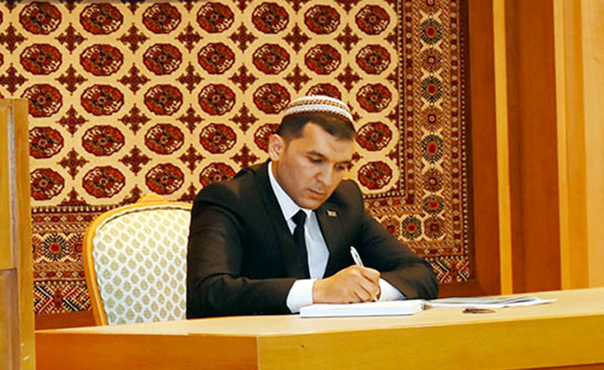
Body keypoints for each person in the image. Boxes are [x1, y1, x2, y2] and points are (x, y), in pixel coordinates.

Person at [186, 94, 438, 317]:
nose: (327, 181)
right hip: (255, 358)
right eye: (315, 160)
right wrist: (319, 291)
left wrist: (367, 290)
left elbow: (420, 274)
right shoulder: (230, 200)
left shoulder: (345, 201)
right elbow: (208, 294)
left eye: (340, 167)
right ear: (276, 148)